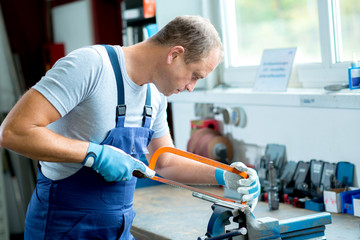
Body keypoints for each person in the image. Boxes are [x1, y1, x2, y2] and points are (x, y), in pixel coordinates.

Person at [0, 15, 260, 239]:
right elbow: (14, 132)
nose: (191, 86)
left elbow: (165, 162)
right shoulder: (91, 65)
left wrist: (224, 175)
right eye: (195, 75)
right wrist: (95, 154)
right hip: (63, 226)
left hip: (117, 229)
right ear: (175, 54)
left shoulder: (155, 95)